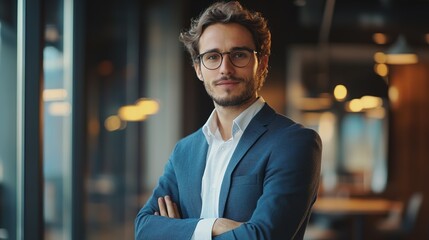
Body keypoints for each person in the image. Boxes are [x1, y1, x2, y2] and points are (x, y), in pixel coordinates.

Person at [135, 1, 322, 239]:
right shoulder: (184, 151)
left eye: (239, 55)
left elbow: (263, 236)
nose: (225, 68)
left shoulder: (294, 142)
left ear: (261, 63)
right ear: (198, 69)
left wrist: (181, 232)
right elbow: (144, 228)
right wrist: (214, 226)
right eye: (212, 57)